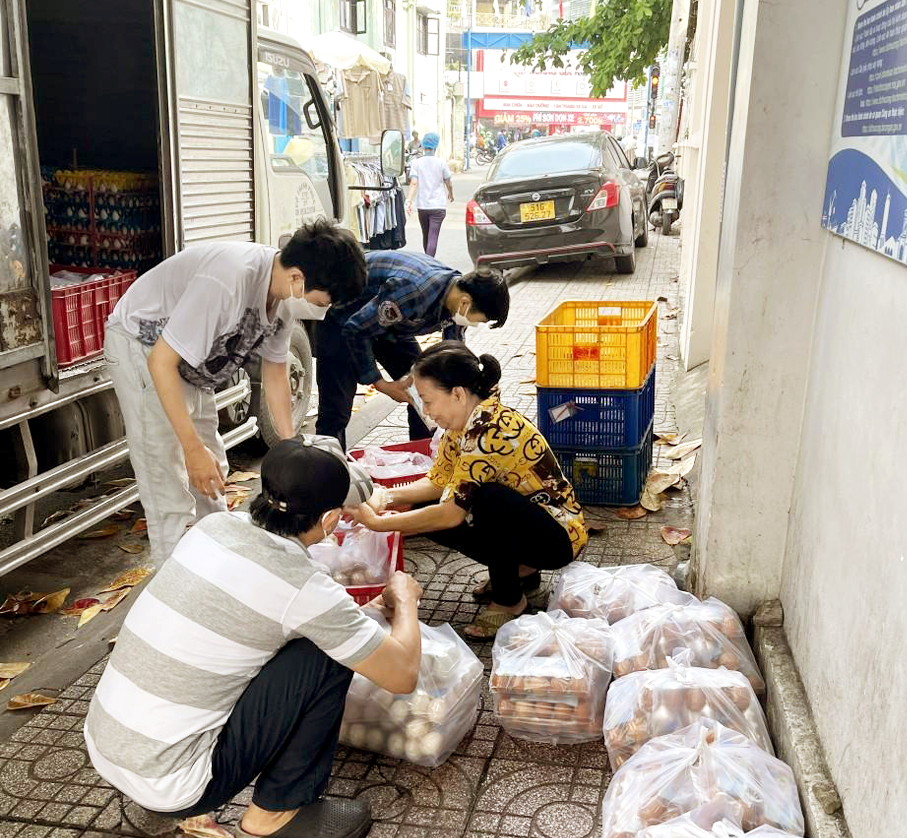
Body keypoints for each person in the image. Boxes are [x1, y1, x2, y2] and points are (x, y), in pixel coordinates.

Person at [83, 438, 423, 838]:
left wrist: (355, 619)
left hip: (109, 749)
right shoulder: (301, 584)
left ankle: (186, 778)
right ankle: (274, 815)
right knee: (324, 654)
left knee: (318, 636)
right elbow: (402, 674)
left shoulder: (212, 528)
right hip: (177, 783)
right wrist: (404, 600)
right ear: (332, 519)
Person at [105, 220, 366, 564]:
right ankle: (177, 591)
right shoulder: (227, 283)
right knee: (169, 481)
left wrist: (292, 448)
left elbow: (275, 370)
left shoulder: (283, 294)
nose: (324, 309)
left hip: (190, 364)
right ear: (297, 278)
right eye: (325, 300)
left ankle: (219, 570)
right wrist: (191, 447)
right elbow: (161, 363)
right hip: (145, 349)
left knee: (212, 471)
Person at [349, 342, 587, 639]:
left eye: (427, 400)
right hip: (531, 526)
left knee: (488, 501)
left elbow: (449, 515)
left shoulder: (488, 431)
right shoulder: (463, 423)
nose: (424, 411)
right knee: (435, 509)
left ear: (457, 394)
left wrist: (380, 523)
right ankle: (522, 570)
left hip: (558, 537)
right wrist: (384, 497)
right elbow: (437, 482)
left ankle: (509, 601)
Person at [314, 255, 509, 449]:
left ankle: (422, 459)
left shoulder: (456, 297)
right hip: (343, 324)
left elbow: (451, 353)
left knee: (423, 389)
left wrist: (472, 387)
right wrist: (382, 385)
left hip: (391, 327)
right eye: (479, 320)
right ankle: (328, 470)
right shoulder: (414, 291)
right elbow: (356, 330)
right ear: (465, 303)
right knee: (336, 411)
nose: (474, 324)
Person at [406, 132, 453, 258]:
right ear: (435, 147)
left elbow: (414, 182)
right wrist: (450, 193)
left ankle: (427, 260)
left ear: (423, 146)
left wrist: (409, 200)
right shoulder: (441, 162)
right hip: (438, 207)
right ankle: (429, 261)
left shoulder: (416, 163)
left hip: (423, 206)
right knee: (433, 236)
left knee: (426, 235)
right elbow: (448, 181)